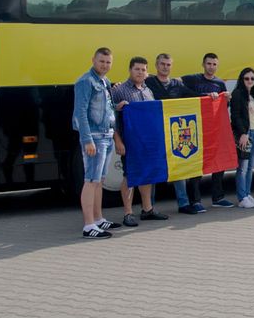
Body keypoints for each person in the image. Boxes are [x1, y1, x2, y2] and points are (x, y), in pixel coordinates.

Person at [110, 56, 168, 227]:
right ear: (130, 70)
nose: (140, 72)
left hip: (147, 143)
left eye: (143, 70)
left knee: (146, 174)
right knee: (129, 175)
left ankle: (147, 209)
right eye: (137, 69)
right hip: (129, 142)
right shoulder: (119, 90)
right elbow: (108, 115)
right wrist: (117, 140)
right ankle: (128, 213)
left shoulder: (147, 91)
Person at [145, 53, 204, 215]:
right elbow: (132, 88)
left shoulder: (177, 85)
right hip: (155, 133)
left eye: (168, 64)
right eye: (162, 64)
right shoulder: (148, 82)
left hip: (174, 135)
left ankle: (183, 204)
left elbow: (195, 98)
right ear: (156, 66)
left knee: (178, 168)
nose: (165, 67)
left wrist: (213, 97)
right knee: (154, 169)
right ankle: (149, 207)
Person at [73, 47, 119, 238]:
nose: (105, 65)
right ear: (93, 60)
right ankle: (88, 225)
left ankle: (99, 219)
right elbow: (80, 112)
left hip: (106, 135)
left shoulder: (105, 81)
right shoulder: (85, 81)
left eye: (108, 62)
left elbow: (107, 108)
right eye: (102, 61)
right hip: (95, 137)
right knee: (91, 180)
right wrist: (87, 139)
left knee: (99, 180)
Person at [182, 52, 234, 208]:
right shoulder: (193, 79)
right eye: (209, 64)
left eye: (214, 64)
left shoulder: (220, 84)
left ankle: (218, 198)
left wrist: (226, 100)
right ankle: (195, 201)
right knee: (196, 164)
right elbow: (177, 84)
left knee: (219, 164)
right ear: (203, 64)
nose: (211, 67)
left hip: (215, 130)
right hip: (197, 129)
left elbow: (223, 108)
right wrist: (205, 96)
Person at [230, 67, 254, 207]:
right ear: (241, 79)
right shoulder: (237, 94)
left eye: (252, 78)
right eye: (246, 78)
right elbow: (235, 116)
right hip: (245, 134)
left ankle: (248, 194)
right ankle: (242, 198)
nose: (250, 81)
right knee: (242, 167)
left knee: (250, 167)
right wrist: (243, 133)